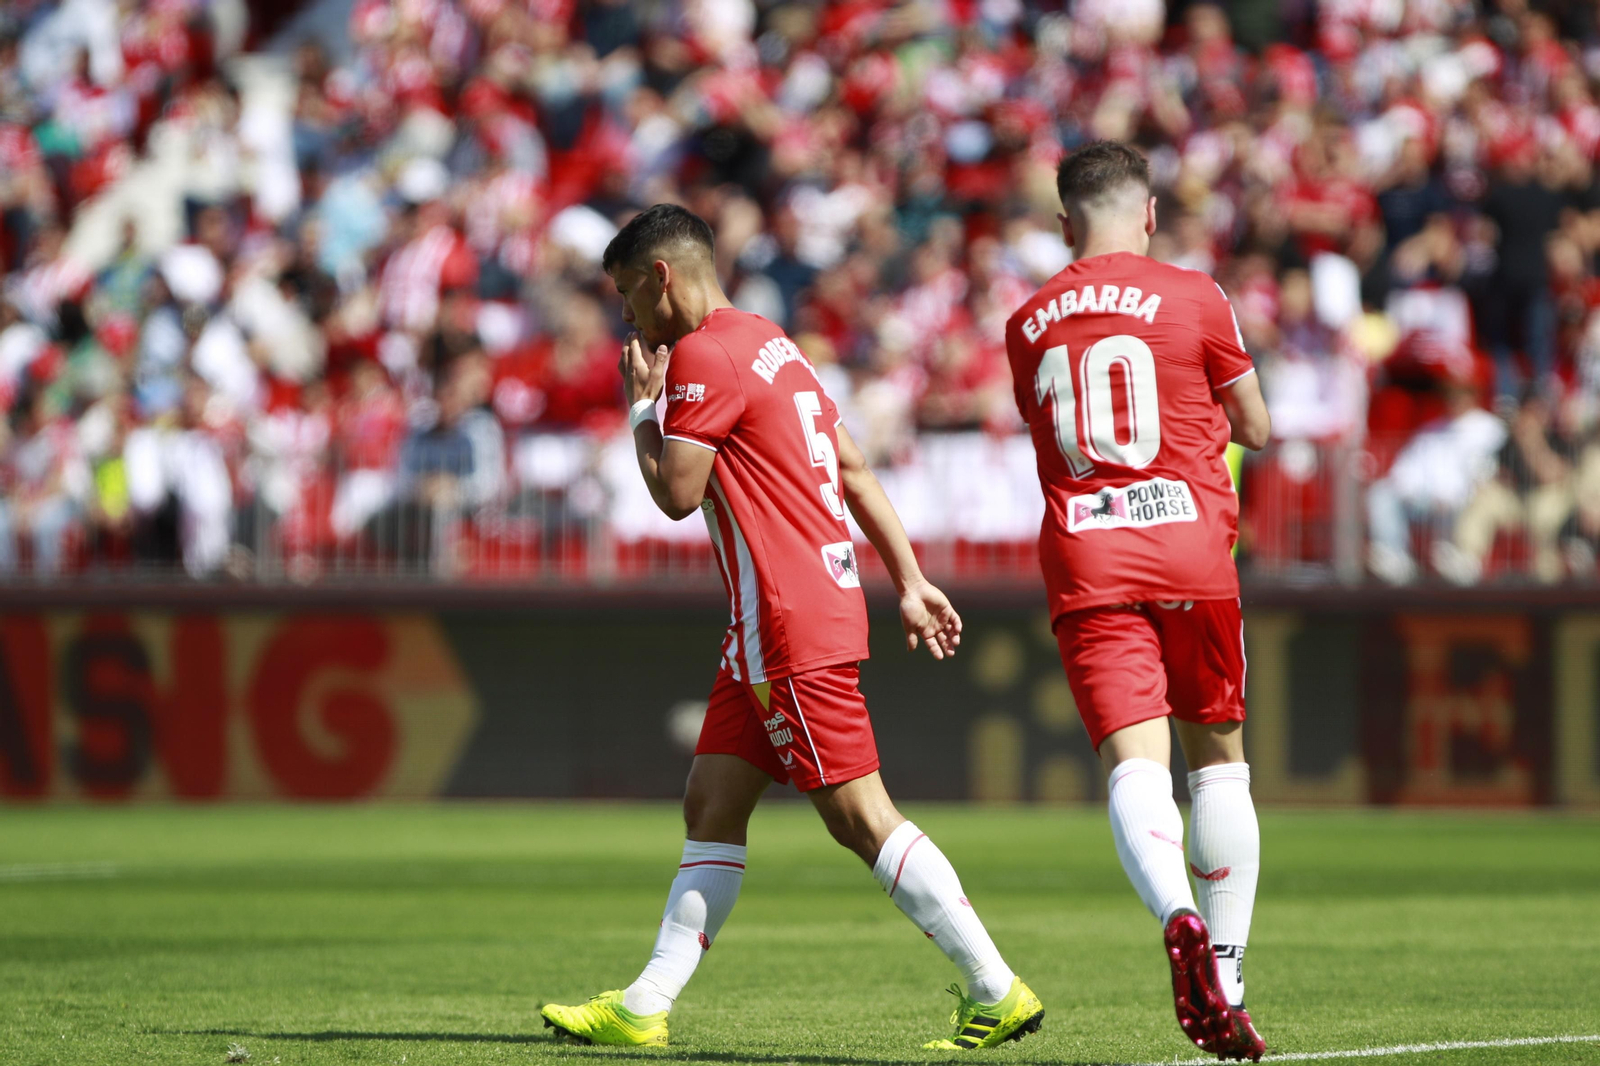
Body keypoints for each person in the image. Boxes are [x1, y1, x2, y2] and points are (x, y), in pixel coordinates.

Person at [539, 204, 1043, 1051]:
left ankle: (996, 988)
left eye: (628, 292)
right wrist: (910, 579)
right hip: (778, 621)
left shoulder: (699, 357)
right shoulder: (773, 343)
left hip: (784, 620)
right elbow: (847, 464)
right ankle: (645, 1004)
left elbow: (676, 493)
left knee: (859, 816)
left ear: (663, 276)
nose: (625, 316)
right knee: (712, 799)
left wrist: (641, 411)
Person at [1003, 142, 1272, 1062]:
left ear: (1064, 222)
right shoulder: (1198, 294)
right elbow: (1259, 428)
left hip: (1089, 558)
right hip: (1193, 548)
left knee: (1134, 767)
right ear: (1149, 213)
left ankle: (1177, 915)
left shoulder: (1028, 319)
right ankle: (1228, 977)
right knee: (1221, 764)